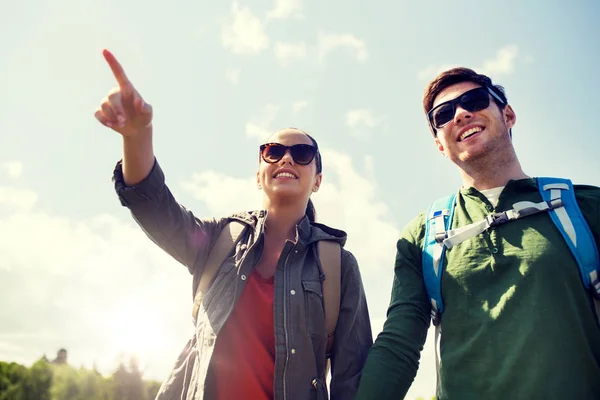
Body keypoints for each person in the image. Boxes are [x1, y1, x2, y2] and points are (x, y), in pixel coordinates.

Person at [94, 49, 372, 400]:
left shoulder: (339, 267)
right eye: (272, 152)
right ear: (259, 174)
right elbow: (153, 207)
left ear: (317, 180)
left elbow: (354, 377)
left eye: (302, 154)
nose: (286, 157)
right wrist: (137, 136)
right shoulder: (218, 240)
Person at [355, 67, 600, 399]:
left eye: (474, 100)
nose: (461, 113)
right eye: (443, 114)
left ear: (508, 114)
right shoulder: (422, 236)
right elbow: (399, 343)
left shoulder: (586, 208)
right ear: (440, 146)